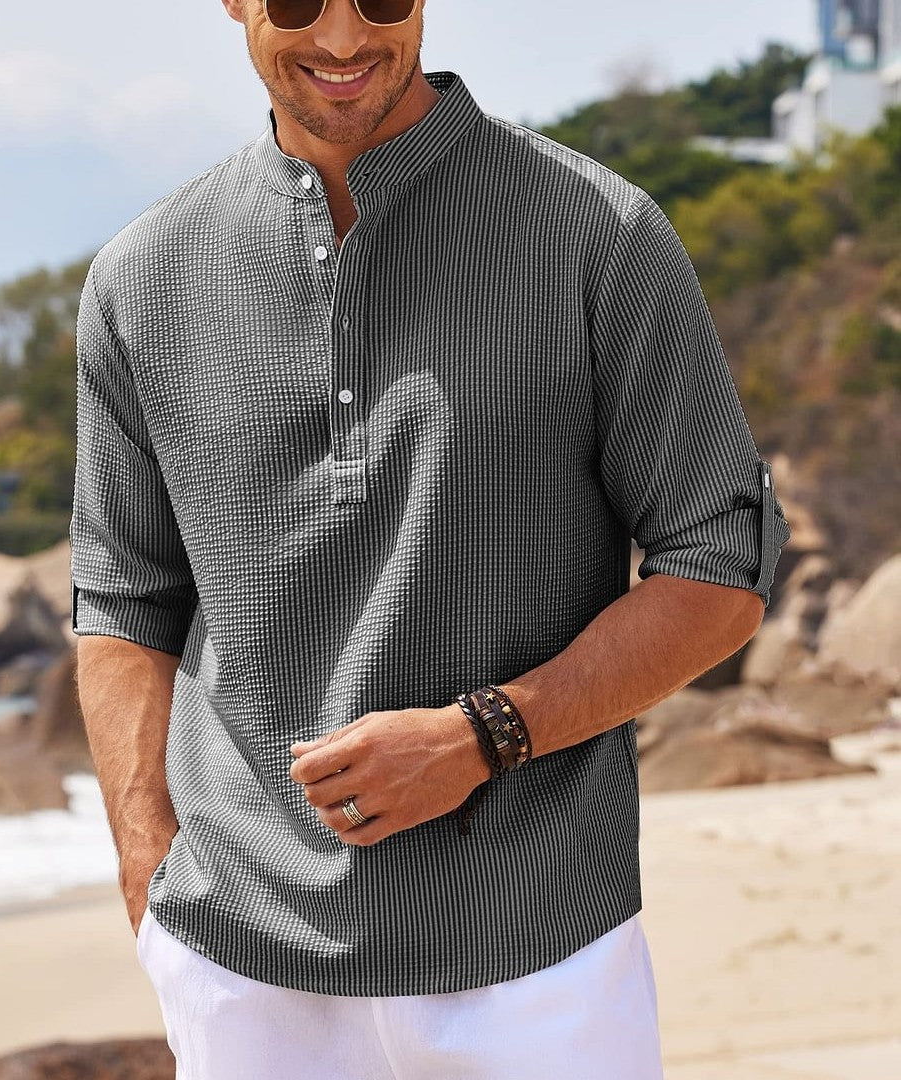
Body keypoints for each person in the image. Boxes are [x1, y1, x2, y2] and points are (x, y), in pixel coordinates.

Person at [69, 1, 791, 1077]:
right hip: (242, 974)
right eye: (300, 3)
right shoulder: (141, 277)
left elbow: (720, 567)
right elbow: (126, 598)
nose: (345, 39)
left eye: (382, 0)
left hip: (536, 956)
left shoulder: (597, 233)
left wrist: (483, 736)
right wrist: (146, 867)